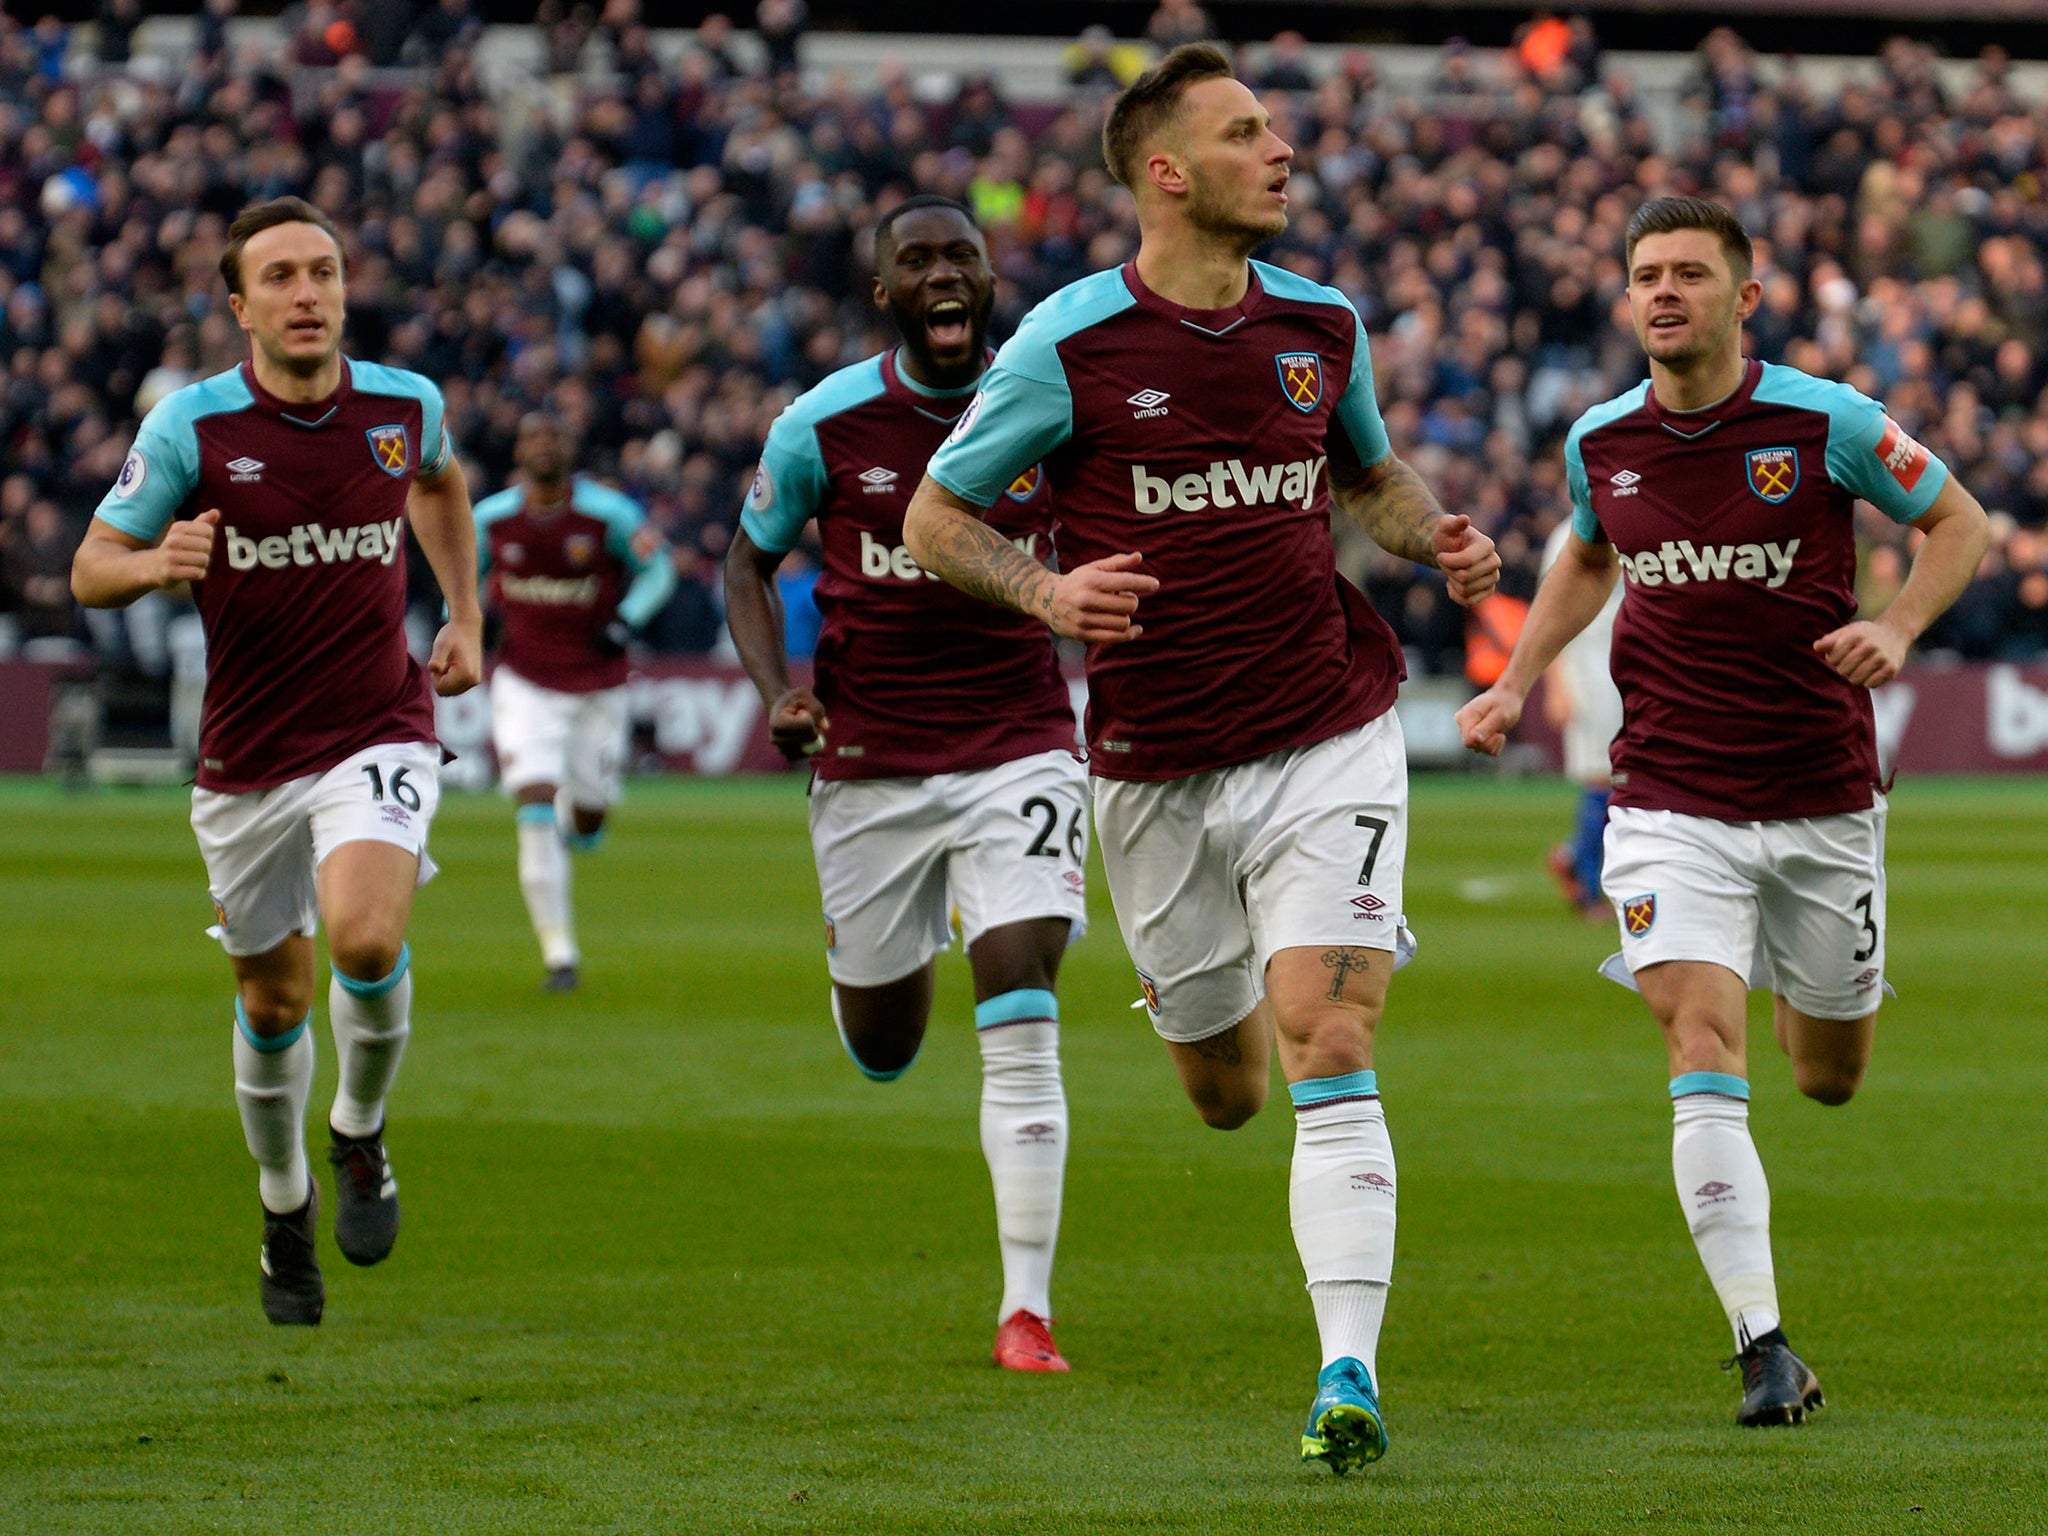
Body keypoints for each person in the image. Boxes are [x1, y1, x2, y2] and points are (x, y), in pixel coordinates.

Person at [903, 48, 1499, 1470]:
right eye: (1247, 134)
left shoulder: (1322, 322)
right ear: (1166, 174)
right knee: (1226, 1090)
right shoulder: (1067, 344)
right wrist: (1049, 595)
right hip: (1158, 762)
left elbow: (1367, 474)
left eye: (1276, 128)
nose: (1282, 152)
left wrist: (1435, 535)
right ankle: (1216, 1061)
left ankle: (1346, 1370)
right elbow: (936, 518)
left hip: (1328, 728)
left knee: (1332, 1036)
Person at [1457, 196, 1990, 1426]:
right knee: (1698, 1043)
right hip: (1666, 797)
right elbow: (1587, 555)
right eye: (1644, 273)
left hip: (1819, 798)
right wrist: (1515, 683)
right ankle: (1761, 1343)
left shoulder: (1823, 421)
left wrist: (1897, 624)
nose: (1661, 293)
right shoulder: (1600, 439)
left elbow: (1957, 521)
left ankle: (1816, 1019)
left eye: (1688, 274)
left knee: (1825, 1075)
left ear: (1740, 298)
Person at [69, 197, 484, 1326]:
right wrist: (158, 559)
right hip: (247, 757)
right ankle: (281, 1199)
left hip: (377, 725)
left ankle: (357, 1130)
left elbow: (439, 483)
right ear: (240, 306)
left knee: (365, 936)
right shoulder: (189, 431)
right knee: (270, 999)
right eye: (283, 278)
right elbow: (88, 568)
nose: (309, 294)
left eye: (326, 272)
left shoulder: (404, 406)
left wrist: (465, 612)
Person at [723, 195, 1087, 1374]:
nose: (943, 274)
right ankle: (877, 966)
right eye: (917, 260)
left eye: (961, 257)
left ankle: (1023, 1309)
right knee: (882, 1044)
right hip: (870, 764)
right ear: (882, 293)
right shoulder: (823, 425)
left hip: (1020, 741)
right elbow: (745, 561)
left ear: (988, 282)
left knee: (1019, 984)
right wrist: (780, 688)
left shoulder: (1043, 402)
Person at [473, 412, 674, 991]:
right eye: (533, 436)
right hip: (524, 680)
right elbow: (461, 577)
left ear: (570, 448)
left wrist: (625, 620)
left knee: (587, 818)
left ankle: (576, 821)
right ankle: (560, 955)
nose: (543, 445)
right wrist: (462, 625)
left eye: (554, 436)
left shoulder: (608, 515)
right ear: (518, 449)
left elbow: (657, 569)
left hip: (597, 684)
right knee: (534, 806)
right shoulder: (492, 519)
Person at [1538, 516, 1622, 917]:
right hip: (1587, 660)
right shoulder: (1569, 532)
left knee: (1627, 774)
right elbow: (1550, 607)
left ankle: (1574, 856)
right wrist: (1556, 682)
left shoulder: (1637, 513)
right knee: (1601, 773)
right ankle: (1588, 885)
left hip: (1629, 656)